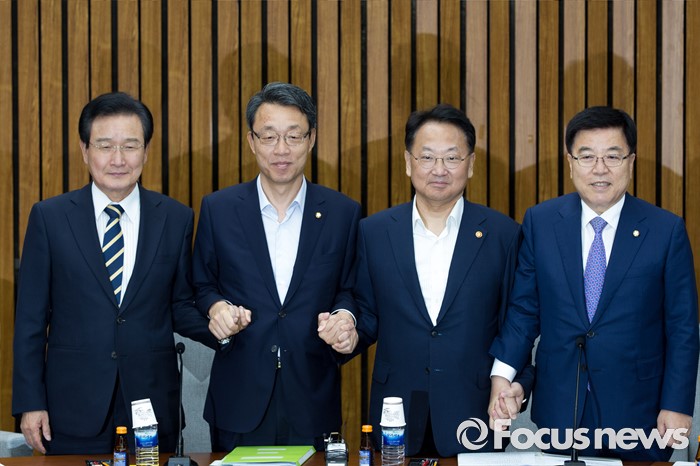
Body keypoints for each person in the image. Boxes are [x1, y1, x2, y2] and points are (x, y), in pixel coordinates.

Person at [12, 92, 219, 455]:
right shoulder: (50, 218)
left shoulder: (175, 218)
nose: (118, 159)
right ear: (84, 150)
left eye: (130, 146)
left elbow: (179, 305)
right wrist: (30, 402)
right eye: (105, 146)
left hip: (151, 406)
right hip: (70, 408)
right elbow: (30, 319)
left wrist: (226, 327)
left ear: (146, 151)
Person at [489, 106, 699, 461]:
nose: (600, 169)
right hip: (562, 407)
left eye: (613, 156)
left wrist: (677, 405)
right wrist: (502, 375)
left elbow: (682, 328)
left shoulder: (666, 230)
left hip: (640, 412)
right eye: (587, 157)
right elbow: (524, 310)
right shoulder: (541, 222)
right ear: (570, 163)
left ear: (631, 162)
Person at [325, 104, 534, 456]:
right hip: (397, 411)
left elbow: (517, 322)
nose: (439, 169)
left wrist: (520, 383)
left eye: (452, 158)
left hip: (476, 409)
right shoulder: (374, 232)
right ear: (408, 163)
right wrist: (348, 330)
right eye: (427, 157)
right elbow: (366, 311)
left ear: (471, 164)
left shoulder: (504, 234)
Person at [192, 82, 361, 452]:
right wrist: (217, 308)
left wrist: (344, 316)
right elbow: (201, 285)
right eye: (268, 136)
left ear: (311, 139)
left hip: (313, 396)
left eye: (293, 136)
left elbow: (351, 289)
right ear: (251, 141)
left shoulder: (342, 213)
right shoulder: (219, 210)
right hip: (238, 396)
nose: (281, 149)